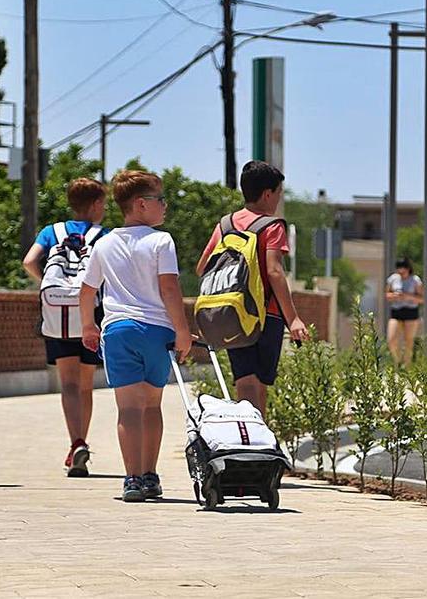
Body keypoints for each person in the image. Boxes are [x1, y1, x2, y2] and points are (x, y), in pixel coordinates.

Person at [79, 170, 191, 502]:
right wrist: (183, 330)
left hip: (117, 331)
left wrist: (88, 326)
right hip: (156, 330)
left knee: (127, 408)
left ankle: (131, 479)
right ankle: (150, 475)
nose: (165, 206)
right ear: (141, 204)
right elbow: (169, 288)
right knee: (152, 406)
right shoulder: (161, 241)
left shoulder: (104, 243)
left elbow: (87, 292)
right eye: (161, 200)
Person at [196, 160, 309, 415]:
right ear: (268, 194)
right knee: (260, 381)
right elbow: (274, 271)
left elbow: (202, 267)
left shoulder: (225, 225)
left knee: (244, 379)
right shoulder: (272, 226)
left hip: (233, 312)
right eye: (278, 194)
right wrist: (293, 319)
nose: (278, 199)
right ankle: (259, 440)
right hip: (266, 313)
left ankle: (247, 435)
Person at [22, 178, 109, 477]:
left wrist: (47, 285)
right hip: (91, 316)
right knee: (85, 385)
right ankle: (82, 443)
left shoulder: (52, 231)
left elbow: (29, 261)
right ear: (96, 204)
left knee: (68, 384)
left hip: (57, 316)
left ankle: (76, 443)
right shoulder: (103, 235)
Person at [385, 258, 424, 364]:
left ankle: (407, 367)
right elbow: (387, 295)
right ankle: (398, 361)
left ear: (408, 269)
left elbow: (421, 299)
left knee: (408, 342)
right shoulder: (393, 279)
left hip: (411, 311)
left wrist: (407, 296)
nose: (401, 273)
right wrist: (394, 295)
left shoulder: (415, 280)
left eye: (404, 271)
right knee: (391, 340)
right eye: (399, 270)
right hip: (396, 311)